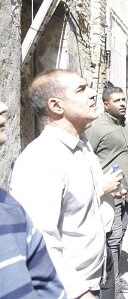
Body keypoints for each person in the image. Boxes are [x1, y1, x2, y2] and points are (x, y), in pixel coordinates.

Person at [10, 69, 123, 299]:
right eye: (81, 89)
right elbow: (41, 243)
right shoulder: (41, 160)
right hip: (73, 289)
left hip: (100, 271)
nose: (93, 94)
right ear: (56, 105)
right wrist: (80, 293)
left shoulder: (82, 145)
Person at [0, 99, 67, 298]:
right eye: (80, 90)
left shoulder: (8, 206)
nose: (4, 106)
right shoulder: (38, 158)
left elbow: (47, 286)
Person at [86, 84, 128, 295]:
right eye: (117, 101)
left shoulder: (125, 124)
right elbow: (87, 157)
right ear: (105, 104)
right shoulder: (96, 127)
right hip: (111, 193)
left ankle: (116, 278)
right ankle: (112, 285)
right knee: (113, 238)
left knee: (120, 235)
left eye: (123, 100)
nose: (122, 104)